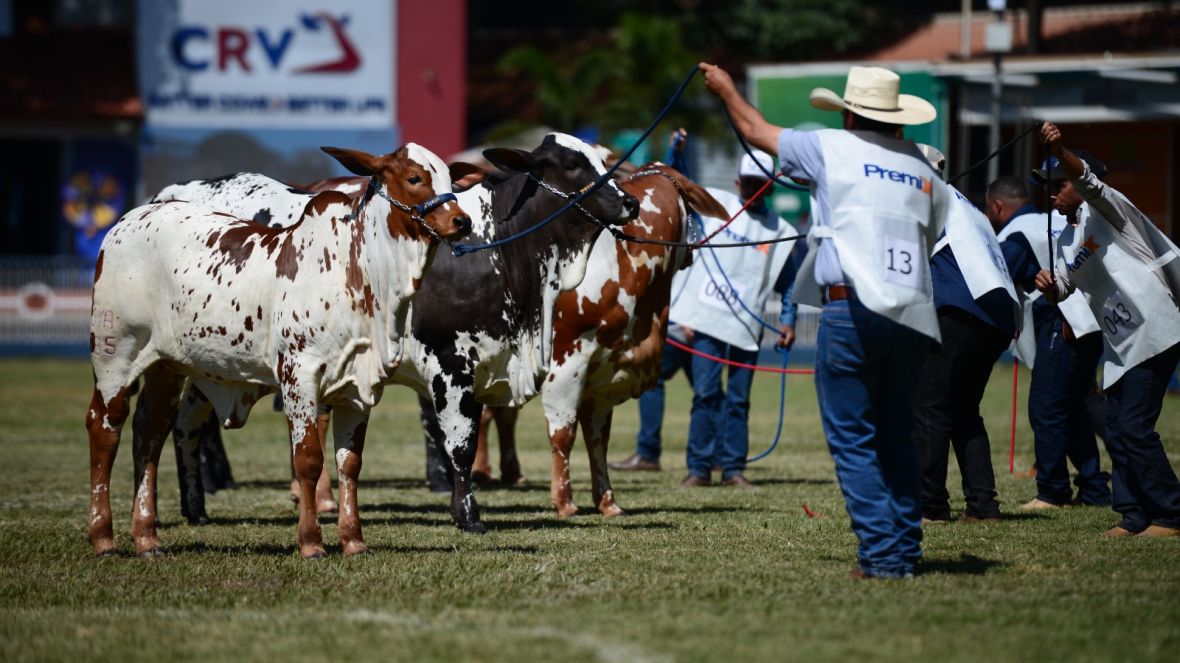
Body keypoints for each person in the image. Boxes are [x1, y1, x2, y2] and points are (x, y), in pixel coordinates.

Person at [700, 62, 951, 578]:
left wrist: (725, 88)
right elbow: (935, 231)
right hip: (912, 314)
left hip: (851, 309)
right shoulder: (926, 170)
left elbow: (754, 131)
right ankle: (903, 548)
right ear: (899, 121)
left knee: (853, 439)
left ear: (851, 117)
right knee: (897, 436)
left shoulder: (830, 148)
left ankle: (883, 556)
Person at [1033, 122, 1180, 538]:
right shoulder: (1065, 237)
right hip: (1121, 342)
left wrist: (1061, 150)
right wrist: (1049, 287)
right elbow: (1064, 287)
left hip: (1156, 327)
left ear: (1079, 182)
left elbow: (1090, 183)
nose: (1051, 192)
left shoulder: (1108, 208)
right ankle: (1133, 515)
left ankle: (1170, 514)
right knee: (1116, 427)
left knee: (1133, 425)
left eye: (1058, 183)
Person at [669, 149, 799, 489]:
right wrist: (679, 151)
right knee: (705, 395)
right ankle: (698, 469)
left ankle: (733, 470)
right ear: (737, 182)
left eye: (761, 185)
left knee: (739, 400)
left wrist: (788, 320)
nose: (754, 191)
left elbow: (788, 285)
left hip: (747, 327)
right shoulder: (716, 207)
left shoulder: (780, 230)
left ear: (770, 187)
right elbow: (681, 186)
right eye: (749, 184)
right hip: (706, 323)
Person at [989, 174, 1111, 509]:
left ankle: (1053, 490)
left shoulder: (1015, 233)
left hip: (1062, 320)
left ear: (998, 206)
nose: (1053, 194)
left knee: (1046, 407)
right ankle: (1094, 489)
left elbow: (995, 278)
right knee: (1073, 407)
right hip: (1092, 321)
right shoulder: (1060, 221)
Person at [913, 152, 1020, 525]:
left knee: (931, 408)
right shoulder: (969, 206)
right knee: (963, 411)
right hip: (998, 316)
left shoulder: (923, 194)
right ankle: (982, 505)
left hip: (960, 310)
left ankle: (930, 506)